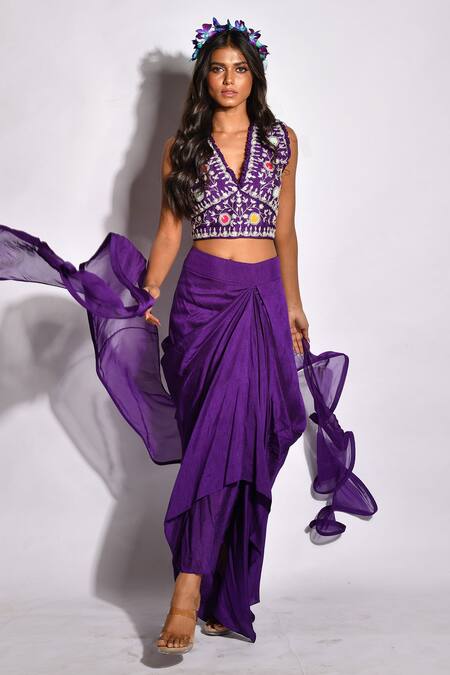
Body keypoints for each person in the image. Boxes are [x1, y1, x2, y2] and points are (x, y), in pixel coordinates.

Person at [0, 16, 378, 657]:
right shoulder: (185, 146)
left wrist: (294, 302)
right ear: (205, 77)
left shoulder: (280, 141)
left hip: (262, 299)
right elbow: (171, 231)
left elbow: (285, 231)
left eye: (240, 69)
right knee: (214, 434)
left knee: (250, 441)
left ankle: (218, 597)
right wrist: (149, 290)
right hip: (203, 303)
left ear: (255, 77)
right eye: (218, 68)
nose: (229, 79)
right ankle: (189, 586)